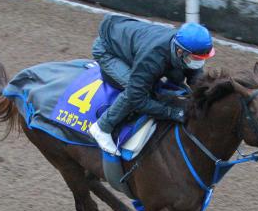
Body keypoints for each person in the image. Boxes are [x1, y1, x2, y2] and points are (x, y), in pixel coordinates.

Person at [89, 14, 215, 155]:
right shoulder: (153, 57)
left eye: (203, 58)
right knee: (141, 90)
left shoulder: (184, 46)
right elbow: (136, 98)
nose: (200, 62)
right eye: (196, 58)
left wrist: (207, 96)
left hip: (133, 42)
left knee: (176, 76)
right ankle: (103, 126)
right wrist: (172, 112)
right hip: (108, 51)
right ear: (180, 51)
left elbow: (194, 75)